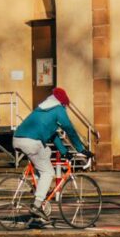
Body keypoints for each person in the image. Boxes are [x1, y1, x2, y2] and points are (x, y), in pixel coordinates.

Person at [13, 87, 90, 226]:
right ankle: (36, 205)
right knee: (48, 172)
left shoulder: (42, 108)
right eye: (65, 106)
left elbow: (53, 134)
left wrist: (64, 151)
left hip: (18, 139)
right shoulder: (58, 109)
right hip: (32, 142)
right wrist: (81, 149)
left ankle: (38, 187)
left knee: (46, 152)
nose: (65, 108)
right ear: (62, 103)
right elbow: (69, 128)